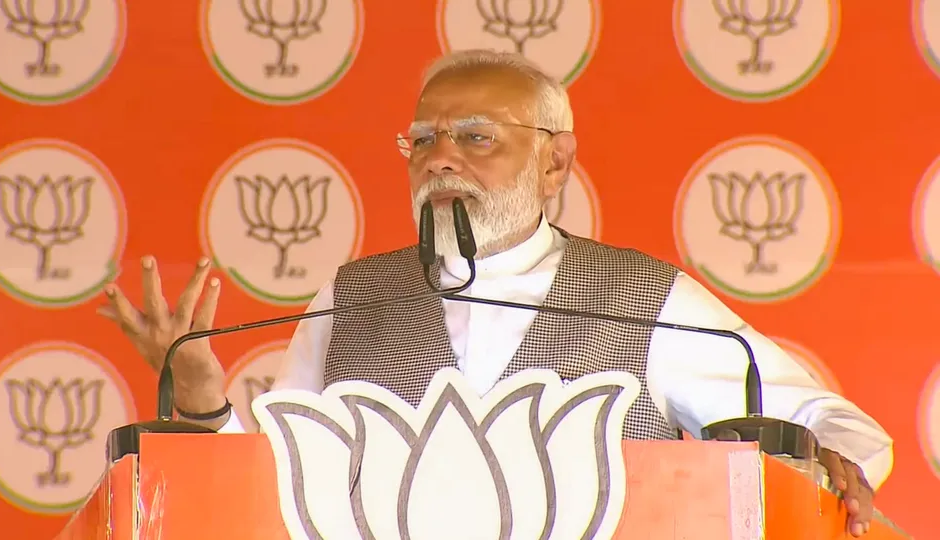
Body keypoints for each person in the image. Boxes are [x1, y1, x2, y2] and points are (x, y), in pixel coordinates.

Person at [98, 49, 890, 537]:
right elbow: (271, 493)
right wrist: (202, 401)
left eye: (476, 136)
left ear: (553, 164)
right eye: (425, 138)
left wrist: (832, 464)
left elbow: (837, 425)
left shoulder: (644, 298)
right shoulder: (351, 299)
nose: (440, 158)